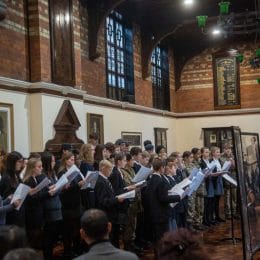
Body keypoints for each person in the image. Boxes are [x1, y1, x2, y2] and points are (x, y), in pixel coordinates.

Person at [94, 160, 125, 248]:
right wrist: (116, 200)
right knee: (110, 238)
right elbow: (103, 201)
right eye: (110, 169)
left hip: (112, 214)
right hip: (107, 215)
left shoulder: (105, 179)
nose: (111, 172)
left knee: (114, 237)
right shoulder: (100, 181)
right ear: (103, 168)